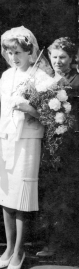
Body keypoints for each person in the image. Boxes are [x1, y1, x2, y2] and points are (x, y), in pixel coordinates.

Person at [0, 26, 54, 269]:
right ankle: (9, 247)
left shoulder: (42, 78)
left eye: (18, 52)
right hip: (6, 140)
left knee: (21, 200)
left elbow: (53, 116)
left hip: (27, 143)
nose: (13, 58)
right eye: (9, 53)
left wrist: (31, 109)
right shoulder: (8, 75)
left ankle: (19, 251)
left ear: (31, 52)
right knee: (5, 197)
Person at [36, 37, 79, 257]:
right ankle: (50, 243)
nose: (58, 61)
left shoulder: (76, 81)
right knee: (50, 195)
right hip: (49, 146)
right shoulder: (46, 80)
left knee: (67, 196)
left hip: (71, 147)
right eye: (54, 57)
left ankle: (63, 246)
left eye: (63, 57)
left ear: (72, 58)